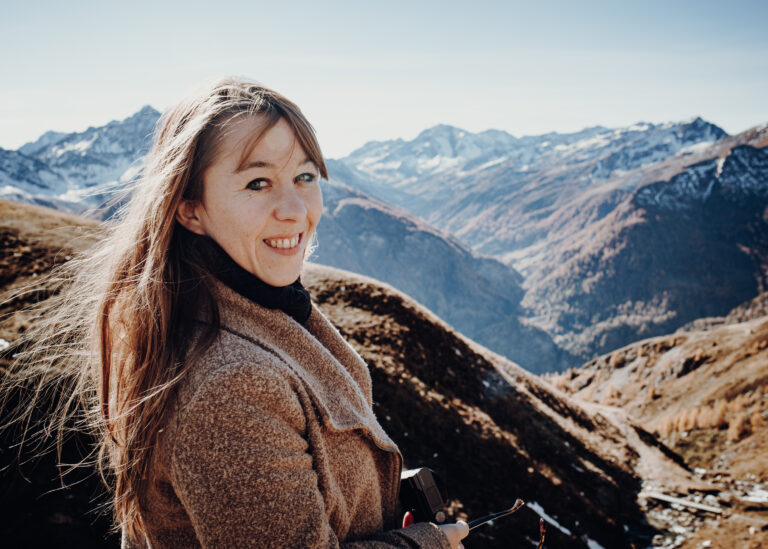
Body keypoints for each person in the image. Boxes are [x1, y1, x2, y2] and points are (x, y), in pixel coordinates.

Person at [4, 78, 469, 548]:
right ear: (190, 208)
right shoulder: (232, 385)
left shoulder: (251, 306)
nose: (295, 209)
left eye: (305, 177)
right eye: (257, 182)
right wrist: (424, 544)